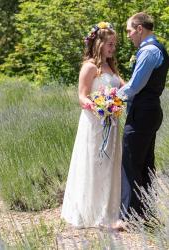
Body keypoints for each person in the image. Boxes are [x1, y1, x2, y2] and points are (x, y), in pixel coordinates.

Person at [61, 22, 125, 228]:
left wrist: (115, 103)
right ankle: (90, 212)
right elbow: (82, 97)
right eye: (109, 44)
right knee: (95, 163)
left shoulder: (111, 67)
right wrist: (100, 107)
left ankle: (108, 211)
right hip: (95, 123)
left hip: (112, 124)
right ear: (98, 43)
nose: (112, 48)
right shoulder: (89, 67)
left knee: (109, 165)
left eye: (114, 44)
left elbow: (124, 88)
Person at [116, 12, 169, 225]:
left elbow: (135, 85)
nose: (128, 35)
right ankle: (145, 214)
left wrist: (111, 99)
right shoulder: (157, 48)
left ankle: (129, 218)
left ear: (140, 29)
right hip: (150, 111)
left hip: (143, 112)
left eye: (129, 31)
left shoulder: (148, 51)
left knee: (130, 161)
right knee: (145, 163)